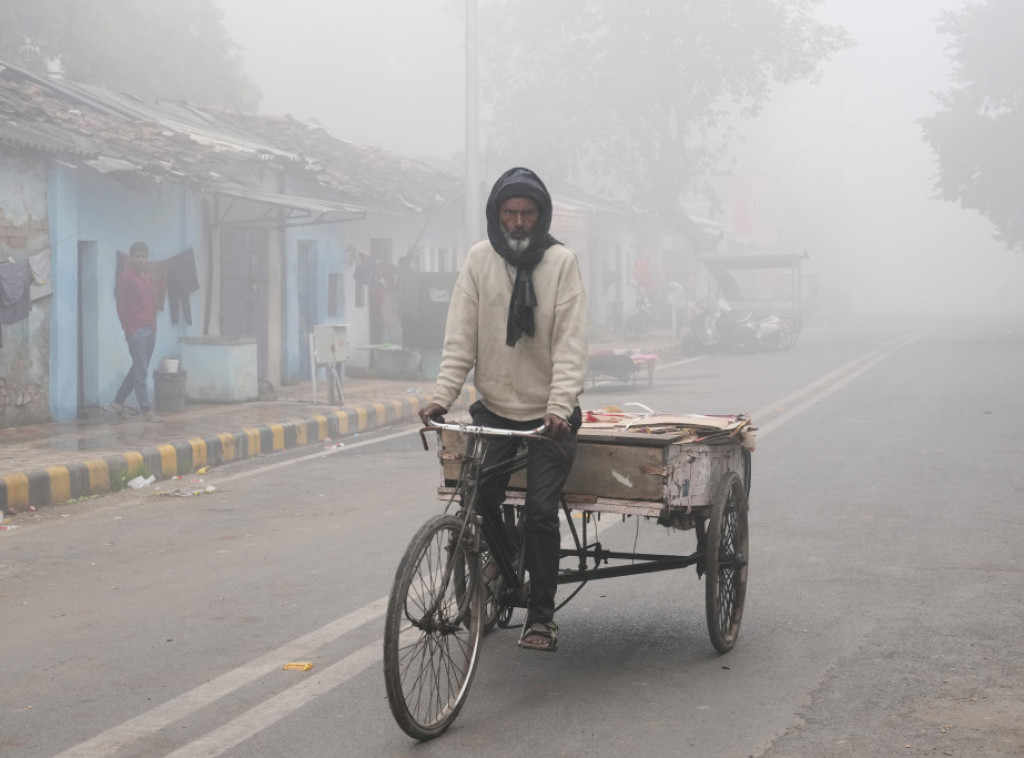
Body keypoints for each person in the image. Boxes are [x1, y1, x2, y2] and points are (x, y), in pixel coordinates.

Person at [419, 167, 589, 652]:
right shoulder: (479, 260)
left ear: (541, 217)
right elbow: (460, 338)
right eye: (509, 213)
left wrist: (559, 407)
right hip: (493, 409)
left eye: (527, 214)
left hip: (548, 417)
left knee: (539, 511)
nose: (518, 222)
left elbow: (571, 344)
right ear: (497, 215)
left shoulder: (561, 263)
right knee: (480, 496)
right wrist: (441, 397)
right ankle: (511, 560)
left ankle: (541, 616)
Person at [112, 241, 163, 422]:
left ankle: (118, 401)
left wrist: (154, 326)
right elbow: (121, 307)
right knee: (141, 373)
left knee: (138, 369)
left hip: (149, 329)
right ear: (131, 257)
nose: (141, 260)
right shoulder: (125, 278)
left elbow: (150, 302)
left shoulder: (146, 276)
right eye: (137, 256)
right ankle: (147, 411)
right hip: (136, 332)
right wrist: (129, 330)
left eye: (144, 256)